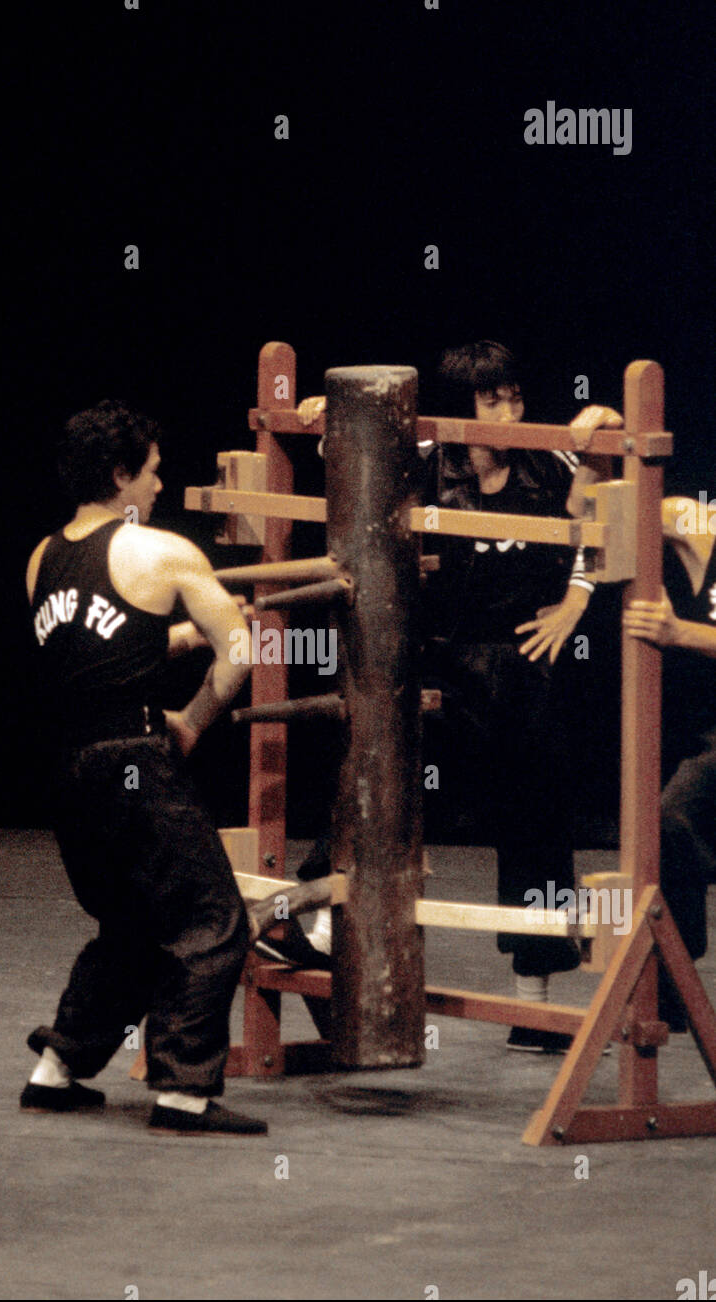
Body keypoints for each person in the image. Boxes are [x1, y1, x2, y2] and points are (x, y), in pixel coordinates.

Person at [287, 342, 621, 1054]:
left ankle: (535, 1006)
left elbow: (601, 506)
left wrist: (574, 601)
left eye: (514, 398)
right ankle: (311, 914)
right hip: (443, 658)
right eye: (489, 400)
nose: (505, 412)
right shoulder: (428, 455)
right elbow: (356, 464)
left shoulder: (548, 457)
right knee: (387, 771)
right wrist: (326, 422)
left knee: (538, 824)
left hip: (523, 660)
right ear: (463, 407)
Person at [21, 399, 267, 1134]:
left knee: (131, 924)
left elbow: (100, 655)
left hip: (67, 772)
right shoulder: (161, 550)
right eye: (153, 472)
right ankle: (184, 1092)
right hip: (135, 764)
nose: (160, 486)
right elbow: (244, 655)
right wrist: (191, 721)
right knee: (213, 919)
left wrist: (182, 637)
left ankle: (57, 1069)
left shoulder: (43, 558)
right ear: (122, 474)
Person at [623, 494, 716, 1031]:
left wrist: (677, 631)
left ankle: (676, 975)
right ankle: (676, 977)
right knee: (663, 825)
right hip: (701, 727)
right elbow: (593, 516)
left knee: (673, 817)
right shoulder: (695, 520)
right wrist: (600, 446)